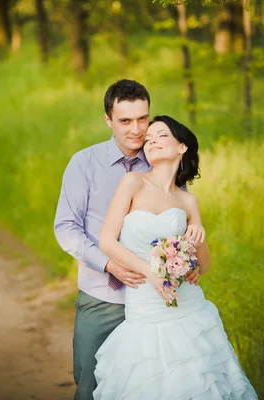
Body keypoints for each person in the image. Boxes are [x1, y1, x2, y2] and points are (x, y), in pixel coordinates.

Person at [53, 80, 205, 400]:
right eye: (125, 121)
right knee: (91, 385)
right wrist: (109, 264)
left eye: (143, 119)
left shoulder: (163, 161)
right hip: (102, 297)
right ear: (108, 120)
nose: (136, 130)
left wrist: (189, 262)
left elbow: (181, 226)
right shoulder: (85, 164)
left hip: (158, 303)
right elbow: (66, 227)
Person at [93, 115, 258, 399]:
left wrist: (197, 236)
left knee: (198, 385)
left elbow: (203, 265)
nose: (152, 141)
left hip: (189, 309)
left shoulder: (187, 201)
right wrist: (150, 272)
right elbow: (107, 241)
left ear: (182, 147)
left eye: (161, 135)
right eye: (148, 139)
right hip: (146, 307)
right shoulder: (133, 183)